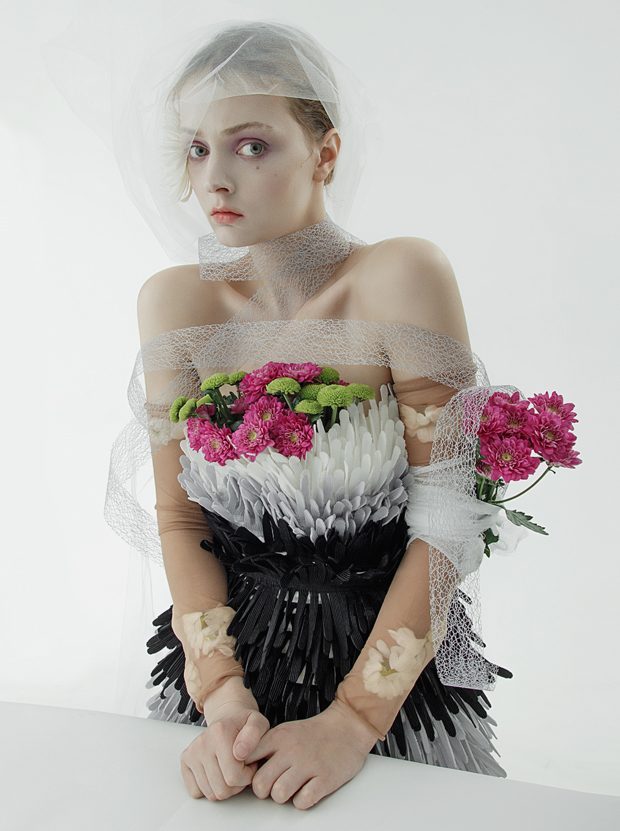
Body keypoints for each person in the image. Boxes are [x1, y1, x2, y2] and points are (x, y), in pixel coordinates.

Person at [39, 14, 523, 810]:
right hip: (231, 691)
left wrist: (353, 720)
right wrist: (220, 695)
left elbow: (449, 518)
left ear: (325, 153)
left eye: (252, 145)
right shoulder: (176, 304)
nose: (216, 179)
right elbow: (180, 517)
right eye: (198, 148)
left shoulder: (400, 276)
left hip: (389, 692)